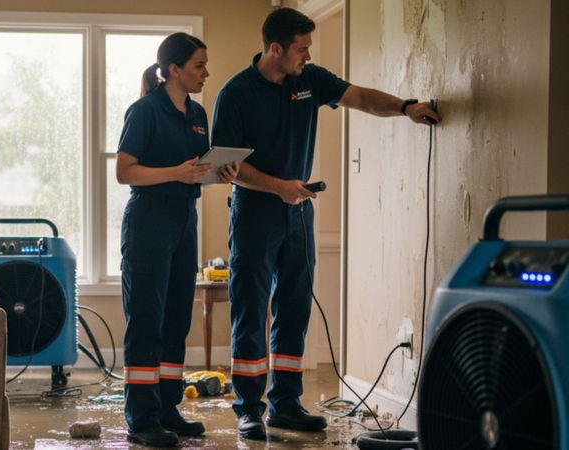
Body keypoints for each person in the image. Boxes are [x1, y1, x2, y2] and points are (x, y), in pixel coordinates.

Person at [211, 7, 441, 441]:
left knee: (295, 309)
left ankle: (286, 405)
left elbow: (360, 97)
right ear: (275, 48)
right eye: (301, 48)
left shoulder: (309, 80)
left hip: (298, 213)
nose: (307, 54)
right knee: (250, 310)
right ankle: (249, 409)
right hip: (255, 215)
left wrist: (406, 107)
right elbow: (227, 166)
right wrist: (279, 186)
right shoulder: (236, 93)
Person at [117, 32, 240, 447]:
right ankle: (141, 418)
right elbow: (125, 171)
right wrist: (176, 172)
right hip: (149, 221)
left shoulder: (198, 113)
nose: (206, 72)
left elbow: (196, 170)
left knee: (175, 323)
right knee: (146, 323)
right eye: (199, 65)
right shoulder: (144, 111)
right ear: (174, 69)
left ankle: (168, 408)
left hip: (184, 220)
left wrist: (219, 172)